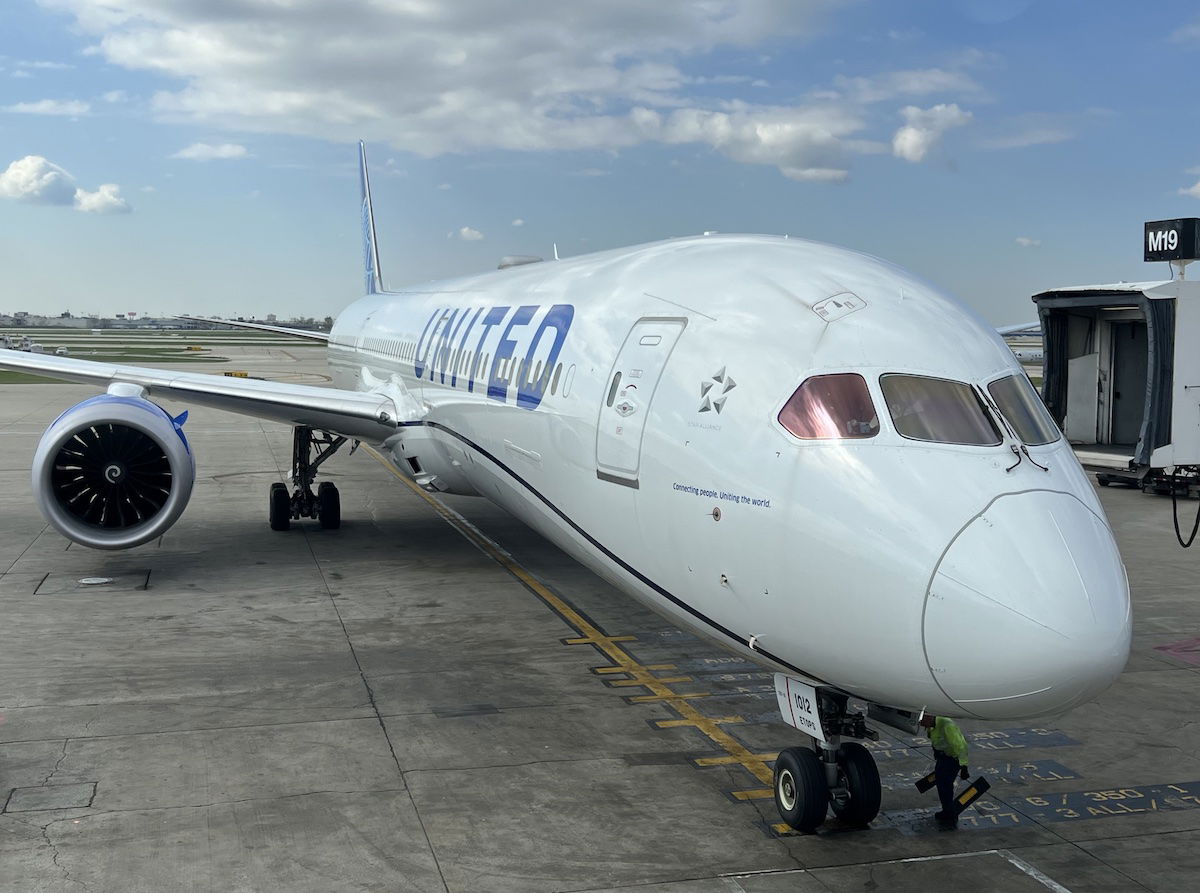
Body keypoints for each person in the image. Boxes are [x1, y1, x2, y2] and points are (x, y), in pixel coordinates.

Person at [919, 712, 969, 826]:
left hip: (952, 759)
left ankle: (951, 815)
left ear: (928, 717)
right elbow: (935, 738)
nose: (922, 725)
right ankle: (946, 810)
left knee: (945, 785)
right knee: (941, 784)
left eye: (922, 722)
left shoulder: (947, 725)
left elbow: (961, 746)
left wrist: (964, 766)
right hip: (943, 757)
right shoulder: (932, 724)